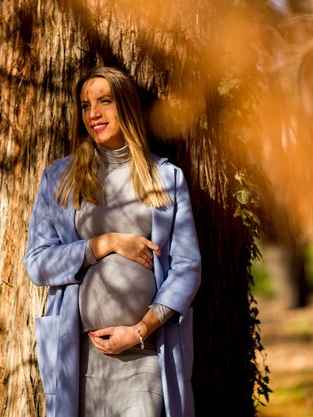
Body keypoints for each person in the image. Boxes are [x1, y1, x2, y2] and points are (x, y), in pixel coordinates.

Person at [23, 66, 201, 417]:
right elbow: (38, 263)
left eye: (105, 101)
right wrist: (103, 244)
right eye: (86, 105)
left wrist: (139, 330)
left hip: (148, 351)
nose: (94, 114)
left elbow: (187, 267)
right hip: (80, 356)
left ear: (128, 107)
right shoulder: (60, 178)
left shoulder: (166, 178)